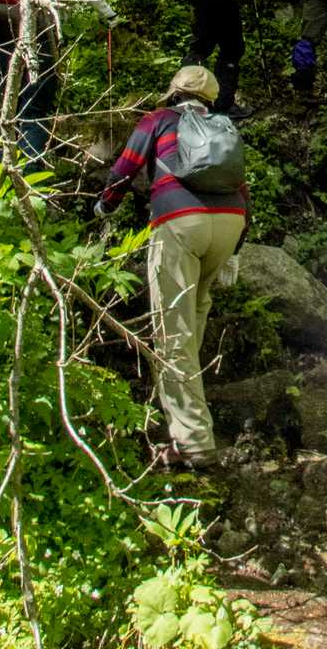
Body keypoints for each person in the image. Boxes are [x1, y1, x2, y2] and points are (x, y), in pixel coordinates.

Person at [95, 65, 248, 472]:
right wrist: (236, 249)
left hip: (180, 223)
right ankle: (189, 420)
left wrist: (105, 204)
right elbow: (240, 185)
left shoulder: (159, 119)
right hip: (229, 224)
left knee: (172, 333)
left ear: (174, 92)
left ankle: (193, 443)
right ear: (210, 97)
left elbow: (127, 165)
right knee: (191, 323)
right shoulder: (223, 126)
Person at [0, 0, 119, 165]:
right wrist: (110, 15)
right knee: (33, 111)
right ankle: (30, 175)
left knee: (8, 109)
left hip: (1, 41)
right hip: (38, 39)